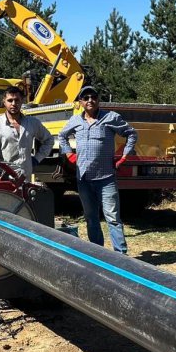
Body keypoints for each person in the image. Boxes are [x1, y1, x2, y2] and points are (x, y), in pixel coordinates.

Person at [57, 86, 137, 254]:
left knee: (113, 219)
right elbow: (62, 135)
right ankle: (98, 254)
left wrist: (124, 156)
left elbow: (131, 134)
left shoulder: (111, 118)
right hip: (84, 179)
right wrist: (69, 154)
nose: (90, 100)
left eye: (93, 97)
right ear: (80, 102)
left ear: (98, 99)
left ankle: (121, 256)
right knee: (91, 218)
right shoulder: (75, 121)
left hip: (106, 178)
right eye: (85, 98)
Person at [0, 85, 55, 178]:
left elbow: (49, 140)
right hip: (3, 177)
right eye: (10, 100)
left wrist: (37, 159)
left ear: (22, 101)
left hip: (24, 177)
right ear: (4, 102)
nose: (13, 103)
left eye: (17, 100)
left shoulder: (32, 123)